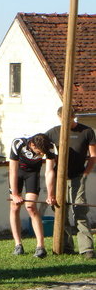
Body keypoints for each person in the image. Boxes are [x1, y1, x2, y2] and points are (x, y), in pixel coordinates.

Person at [45, 107, 96, 259]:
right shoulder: (53, 132)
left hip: (77, 177)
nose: (66, 122)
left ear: (74, 117)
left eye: (69, 118)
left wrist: (85, 173)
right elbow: (44, 150)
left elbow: (93, 156)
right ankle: (66, 246)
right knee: (61, 212)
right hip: (59, 178)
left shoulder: (87, 131)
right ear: (59, 118)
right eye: (63, 119)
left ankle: (87, 249)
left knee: (79, 210)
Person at [8, 134, 56, 258]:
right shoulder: (18, 143)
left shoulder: (49, 147)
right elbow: (12, 170)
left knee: (31, 207)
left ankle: (40, 247)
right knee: (15, 207)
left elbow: (49, 171)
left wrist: (51, 194)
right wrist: (14, 194)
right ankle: (18, 244)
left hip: (33, 174)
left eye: (42, 154)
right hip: (17, 173)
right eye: (39, 152)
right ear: (32, 145)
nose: (41, 155)